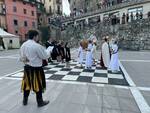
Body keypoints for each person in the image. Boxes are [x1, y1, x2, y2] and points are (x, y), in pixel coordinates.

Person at [20, 30, 50, 107]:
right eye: (37, 36)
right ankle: (40, 102)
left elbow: (22, 57)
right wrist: (48, 51)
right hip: (36, 69)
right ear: (34, 36)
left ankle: (25, 100)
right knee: (38, 85)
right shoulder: (37, 46)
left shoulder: (23, 45)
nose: (38, 38)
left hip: (27, 68)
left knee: (27, 84)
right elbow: (44, 56)